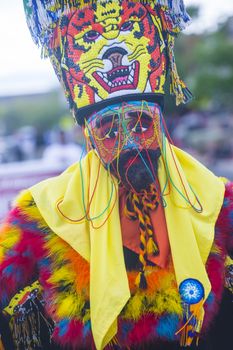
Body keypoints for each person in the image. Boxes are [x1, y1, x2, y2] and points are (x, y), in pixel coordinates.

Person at [0, 1, 232, 349]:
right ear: (89, 138)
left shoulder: (219, 204)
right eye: (109, 130)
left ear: (162, 125)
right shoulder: (42, 218)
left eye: (141, 123)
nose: (130, 143)